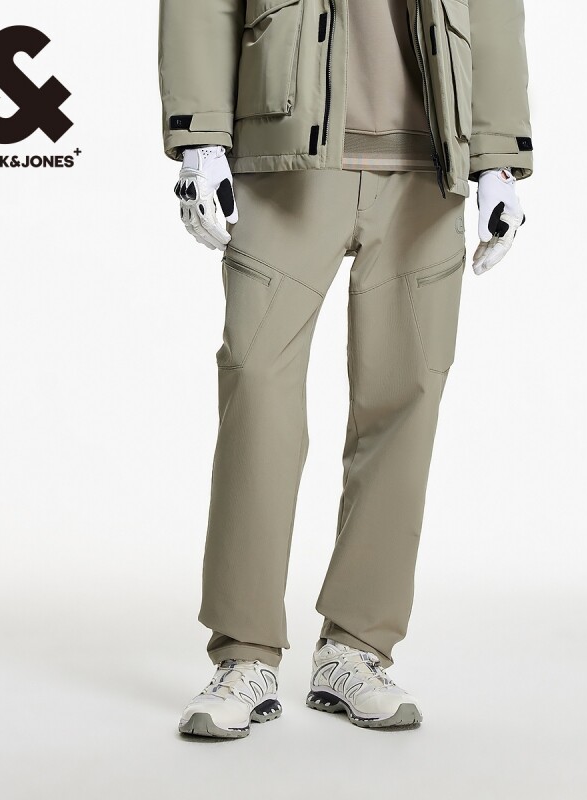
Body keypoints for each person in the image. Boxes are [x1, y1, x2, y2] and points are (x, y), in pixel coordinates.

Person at [158, 0, 532, 738]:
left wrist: (498, 156)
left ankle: (358, 648)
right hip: (286, 154)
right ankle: (245, 655)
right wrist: (199, 138)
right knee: (258, 388)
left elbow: (492, 9)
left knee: (407, 398)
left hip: (429, 161)